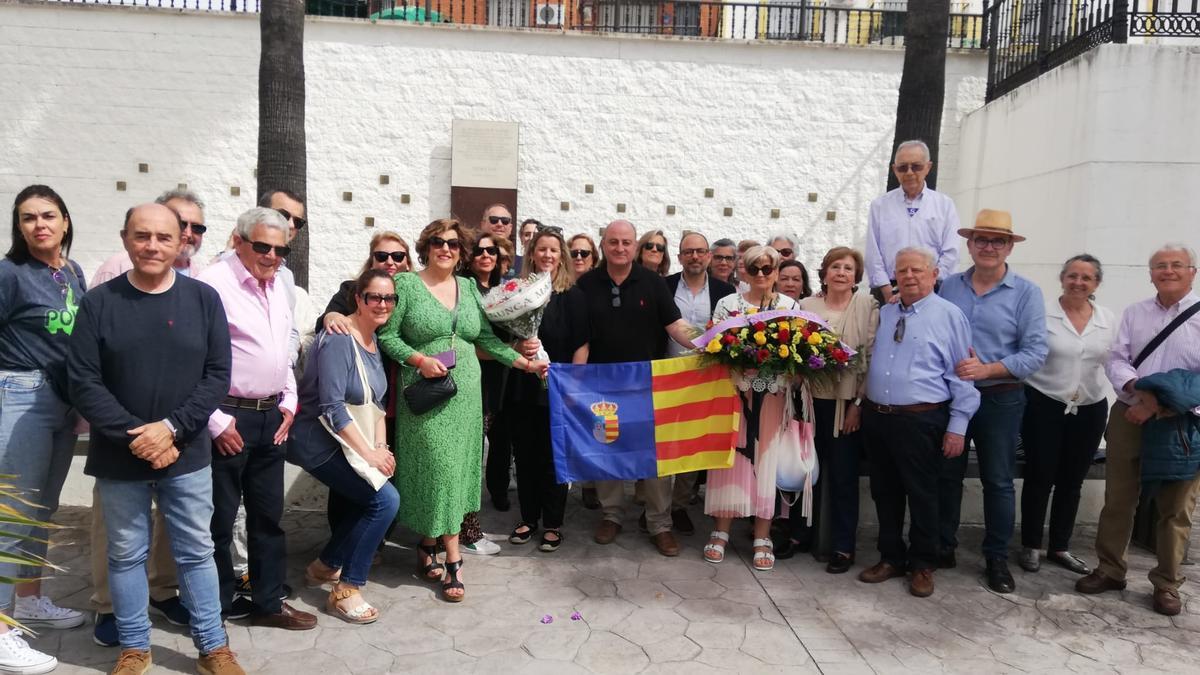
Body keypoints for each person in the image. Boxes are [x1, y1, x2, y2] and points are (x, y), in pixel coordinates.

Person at [68, 203, 244, 674]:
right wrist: (136, 435)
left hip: (185, 452)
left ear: (181, 241)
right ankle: (134, 648)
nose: (152, 245)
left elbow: (216, 375)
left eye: (163, 237)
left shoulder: (202, 300)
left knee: (196, 551)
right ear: (125, 239)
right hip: (119, 455)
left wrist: (170, 429)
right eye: (142, 236)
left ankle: (212, 647)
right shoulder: (98, 303)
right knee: (126, 554)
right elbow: (83, 381)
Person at [378, 218, 547, 602]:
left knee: (458, 470)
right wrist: (419, 359)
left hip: (467, 393)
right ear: (426, 246)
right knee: (435, 469)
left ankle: (427, 545)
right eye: (438, 241)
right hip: (426, 392)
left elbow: (485, 338)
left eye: (453, 243)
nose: (446, 248)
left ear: (461, 251)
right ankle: (453, 558)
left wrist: (525, 364)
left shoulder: (469, 287)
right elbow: (387, 335)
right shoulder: (406, 285)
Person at [197, 208, 317, 630]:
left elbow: (281, 350)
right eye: (262, 246)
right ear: (238, 240)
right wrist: (215, 421)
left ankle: (268, 602)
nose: (271, 256)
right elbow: (192, 361)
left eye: (280, 249)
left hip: (271, 417)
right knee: (219, 523)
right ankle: (214, 611)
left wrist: (289, 400)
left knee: (268, 519)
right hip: (226, 419)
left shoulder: (277, 284)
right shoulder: (212, 284)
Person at [1076, 244, 1200, 617]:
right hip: (1129, 414)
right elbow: (1117, 358)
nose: (1168, 271)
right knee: (1119, 499)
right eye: (1160, 266)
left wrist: (1159, 405)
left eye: (1177, 265)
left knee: (1176, 507)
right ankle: (1111, 569)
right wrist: (1136, 391)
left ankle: (1167, 583)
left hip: (1183, 421)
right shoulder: (1135, 312)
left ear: (1192, 271)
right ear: (1150, 274)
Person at [0, 185, 86, 674]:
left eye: (48, 216)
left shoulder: (70, 273)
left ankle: (29, 601)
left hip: (62, 400)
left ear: (65, 222)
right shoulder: (10, 274)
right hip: (20, 395)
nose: (39, 225)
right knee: (12, 515)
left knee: (41, 511)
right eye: (28, 218)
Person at [937, 209, 1047, 594]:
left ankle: (996, 557)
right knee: (946, 475)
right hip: (950, 398)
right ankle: (943, 546)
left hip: (1000, 399)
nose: (988, 247)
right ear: (969, 244)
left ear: (1008, 247)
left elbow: (1035, 352)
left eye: (997, 241)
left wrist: (989, 369)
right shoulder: (947, 286)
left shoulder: (1027, 293)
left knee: (998, 480)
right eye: (981, 239)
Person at [859, 247, 979, 598]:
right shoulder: (887, 311)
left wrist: (957, 425)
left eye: (916, 270)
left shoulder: (949, 315)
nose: (908, 276)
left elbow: (963, 372)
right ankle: (891, 557)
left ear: (933, 274)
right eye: (902, 270)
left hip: (922, 419)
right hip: (879, 417)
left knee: (924, 494)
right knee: (885, 492)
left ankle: (924, 564)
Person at [576, 220, 696, 556]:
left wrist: (707, 342)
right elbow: (581, 337)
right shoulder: (587, 284)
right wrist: (577, 380)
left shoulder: (654, 284)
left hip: (647, 384)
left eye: (626, 242)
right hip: (601, 386)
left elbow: (675, 325)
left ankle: (660, 523)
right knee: (607, 451)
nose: (620, 248)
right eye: (613, 242)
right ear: (603, 245)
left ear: (634, 246)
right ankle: (612, 515)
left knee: (653, 459)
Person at [288, 269, 401, 624]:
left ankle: (324, 567)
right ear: (359, 299)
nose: (382, 304)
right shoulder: (340, 338)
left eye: (389, 298)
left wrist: (381, 448)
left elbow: (378, 404)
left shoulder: (374, 340)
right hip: (316, 440)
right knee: (385, 501)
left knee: (367, 499)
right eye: (375, 297)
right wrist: (369, 454)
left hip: (349, 440)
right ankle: (346, 589)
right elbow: (331, 406)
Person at [702, 246, 799, 572]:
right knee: (730, 461)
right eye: (754, 268)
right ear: (743, 271)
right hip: (733, 393)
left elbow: (797, 352)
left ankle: (762, 535)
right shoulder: (728, 305)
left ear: (776, 270)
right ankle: (722, 530)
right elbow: (714, 347)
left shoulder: (790, 306)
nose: (761, 274)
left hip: (773, 395)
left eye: (767, 268)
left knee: (766, 462)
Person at [1018, 254, 1113, 575]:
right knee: (1039, 476)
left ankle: (1060, 546)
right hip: (1044, 403)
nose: (1078, 282)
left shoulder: (1107, 319)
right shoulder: (1042, 314)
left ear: (1096, 283)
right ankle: (1031, 545)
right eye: (1072, 276)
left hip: (1090, 407)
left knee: (1073, 481)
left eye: (1086, 278)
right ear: (1062, 278)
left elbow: (1115, 360)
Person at [785, 247, 878, 573]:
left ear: (856, 276)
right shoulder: (806, 306)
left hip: (845, 406)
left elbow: (870, 359)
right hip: (808, 402)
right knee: (805, 471)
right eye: (835, 266)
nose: (841, 272)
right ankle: (801, 534)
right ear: (824, 272)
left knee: (842, 477)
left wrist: (858, 405)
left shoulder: (866, 305)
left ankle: (843, 546)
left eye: (848, 268)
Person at [507, 227, 589, 552]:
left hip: (560, 388)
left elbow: (582, 345)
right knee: (525, 456)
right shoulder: (518, 293)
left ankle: (553, 523)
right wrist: (520, 345)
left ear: (562, 256)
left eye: (553, 250)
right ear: (532, 253)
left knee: (554, 458)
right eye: (541, 249)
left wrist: (575, 388)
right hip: (523, 387)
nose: (547, 255)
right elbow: (505, 341)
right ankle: (528, 517)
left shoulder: (573, 296)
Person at [664, 231, 736, 535]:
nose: (694, 256)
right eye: (688, 251)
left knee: (692, 445)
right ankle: (655, 507)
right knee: (663, 443)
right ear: (679, 257)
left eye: (700, 251)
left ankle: (679, 505)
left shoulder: (724, 291)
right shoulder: (663, 286)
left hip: (705, 379)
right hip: (665, 374)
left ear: (708, 256)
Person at [464, 232, 514, 553]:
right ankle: (465, 523)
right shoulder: (464, 288)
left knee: (501, 439)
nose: (485, 256)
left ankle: (497, 491)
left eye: (491, 251)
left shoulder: (504, 290)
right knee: (469, 451)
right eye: (479, 251)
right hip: (471, 377)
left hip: (501, 374)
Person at [865, 140, 960, 304]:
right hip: (888, 290)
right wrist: (887, 293)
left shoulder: (945, 205)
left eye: (916, 166)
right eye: (903, 167)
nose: (909, 172)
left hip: (932, 290)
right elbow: (873, 253)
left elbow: (951, 252)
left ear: (928, 167)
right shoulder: (879, 206)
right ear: (895, 170)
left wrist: (930, 285)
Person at [91, 188, 209, 283]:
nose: (188, 234)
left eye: (197, 228)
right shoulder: (117, 268)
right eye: (182, 225)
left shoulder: (203, 278)